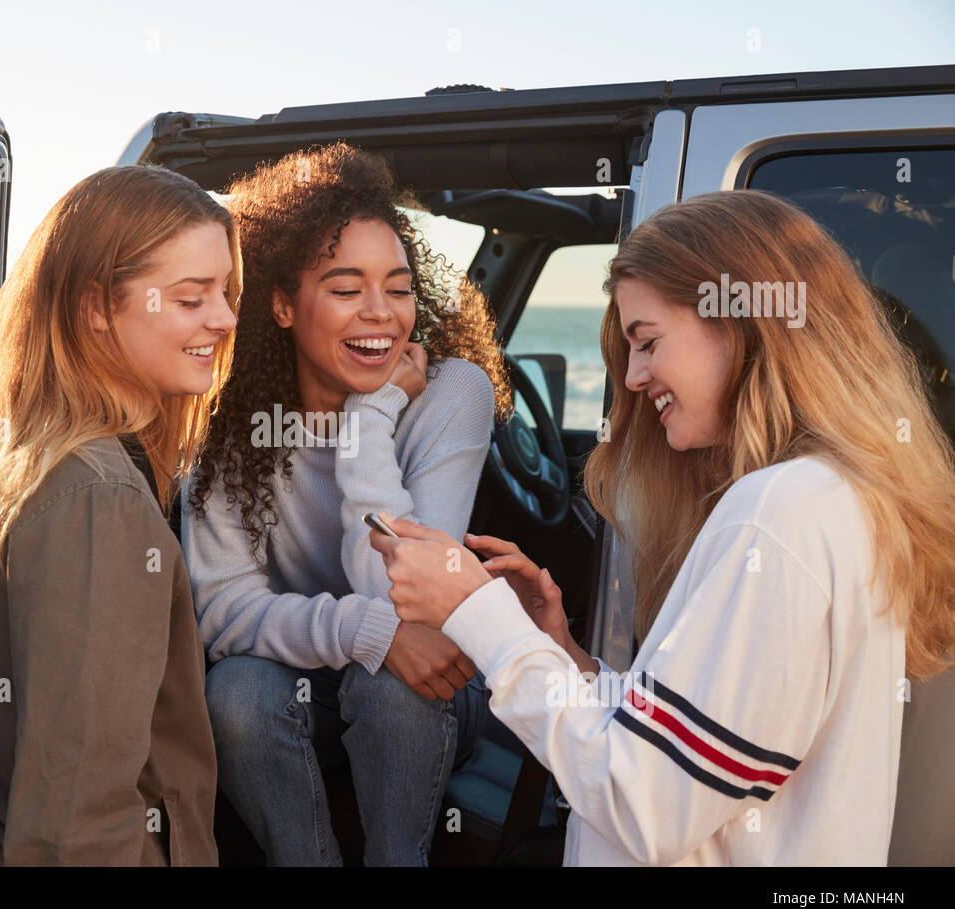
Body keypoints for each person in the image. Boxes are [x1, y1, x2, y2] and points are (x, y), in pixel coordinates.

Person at [369, 189, 955, 866]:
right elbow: (706, 747)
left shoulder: (780, 512)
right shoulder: (827, 497)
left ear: (737, 320)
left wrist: (479, 614)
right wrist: (569, 664)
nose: (637, 376)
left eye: (647, 342)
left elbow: (645, 803)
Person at [181, 143, 512, 865]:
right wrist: (367, 634)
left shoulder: (450, 391)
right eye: (344, 287)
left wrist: (373, 415)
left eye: (398, 288)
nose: (381, 314)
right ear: (281, 303)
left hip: (431, 687)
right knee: (237, 690)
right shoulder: (225, 416)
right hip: (304, 685)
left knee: (389, 691)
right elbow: (225, 612)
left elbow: (411, 601)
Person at [0, 164, 240, 865]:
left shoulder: (31, 455)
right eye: (191, 298)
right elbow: (79, 826)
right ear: (97, 306)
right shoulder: (99, 501)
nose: (222, 318)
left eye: (225, 292)